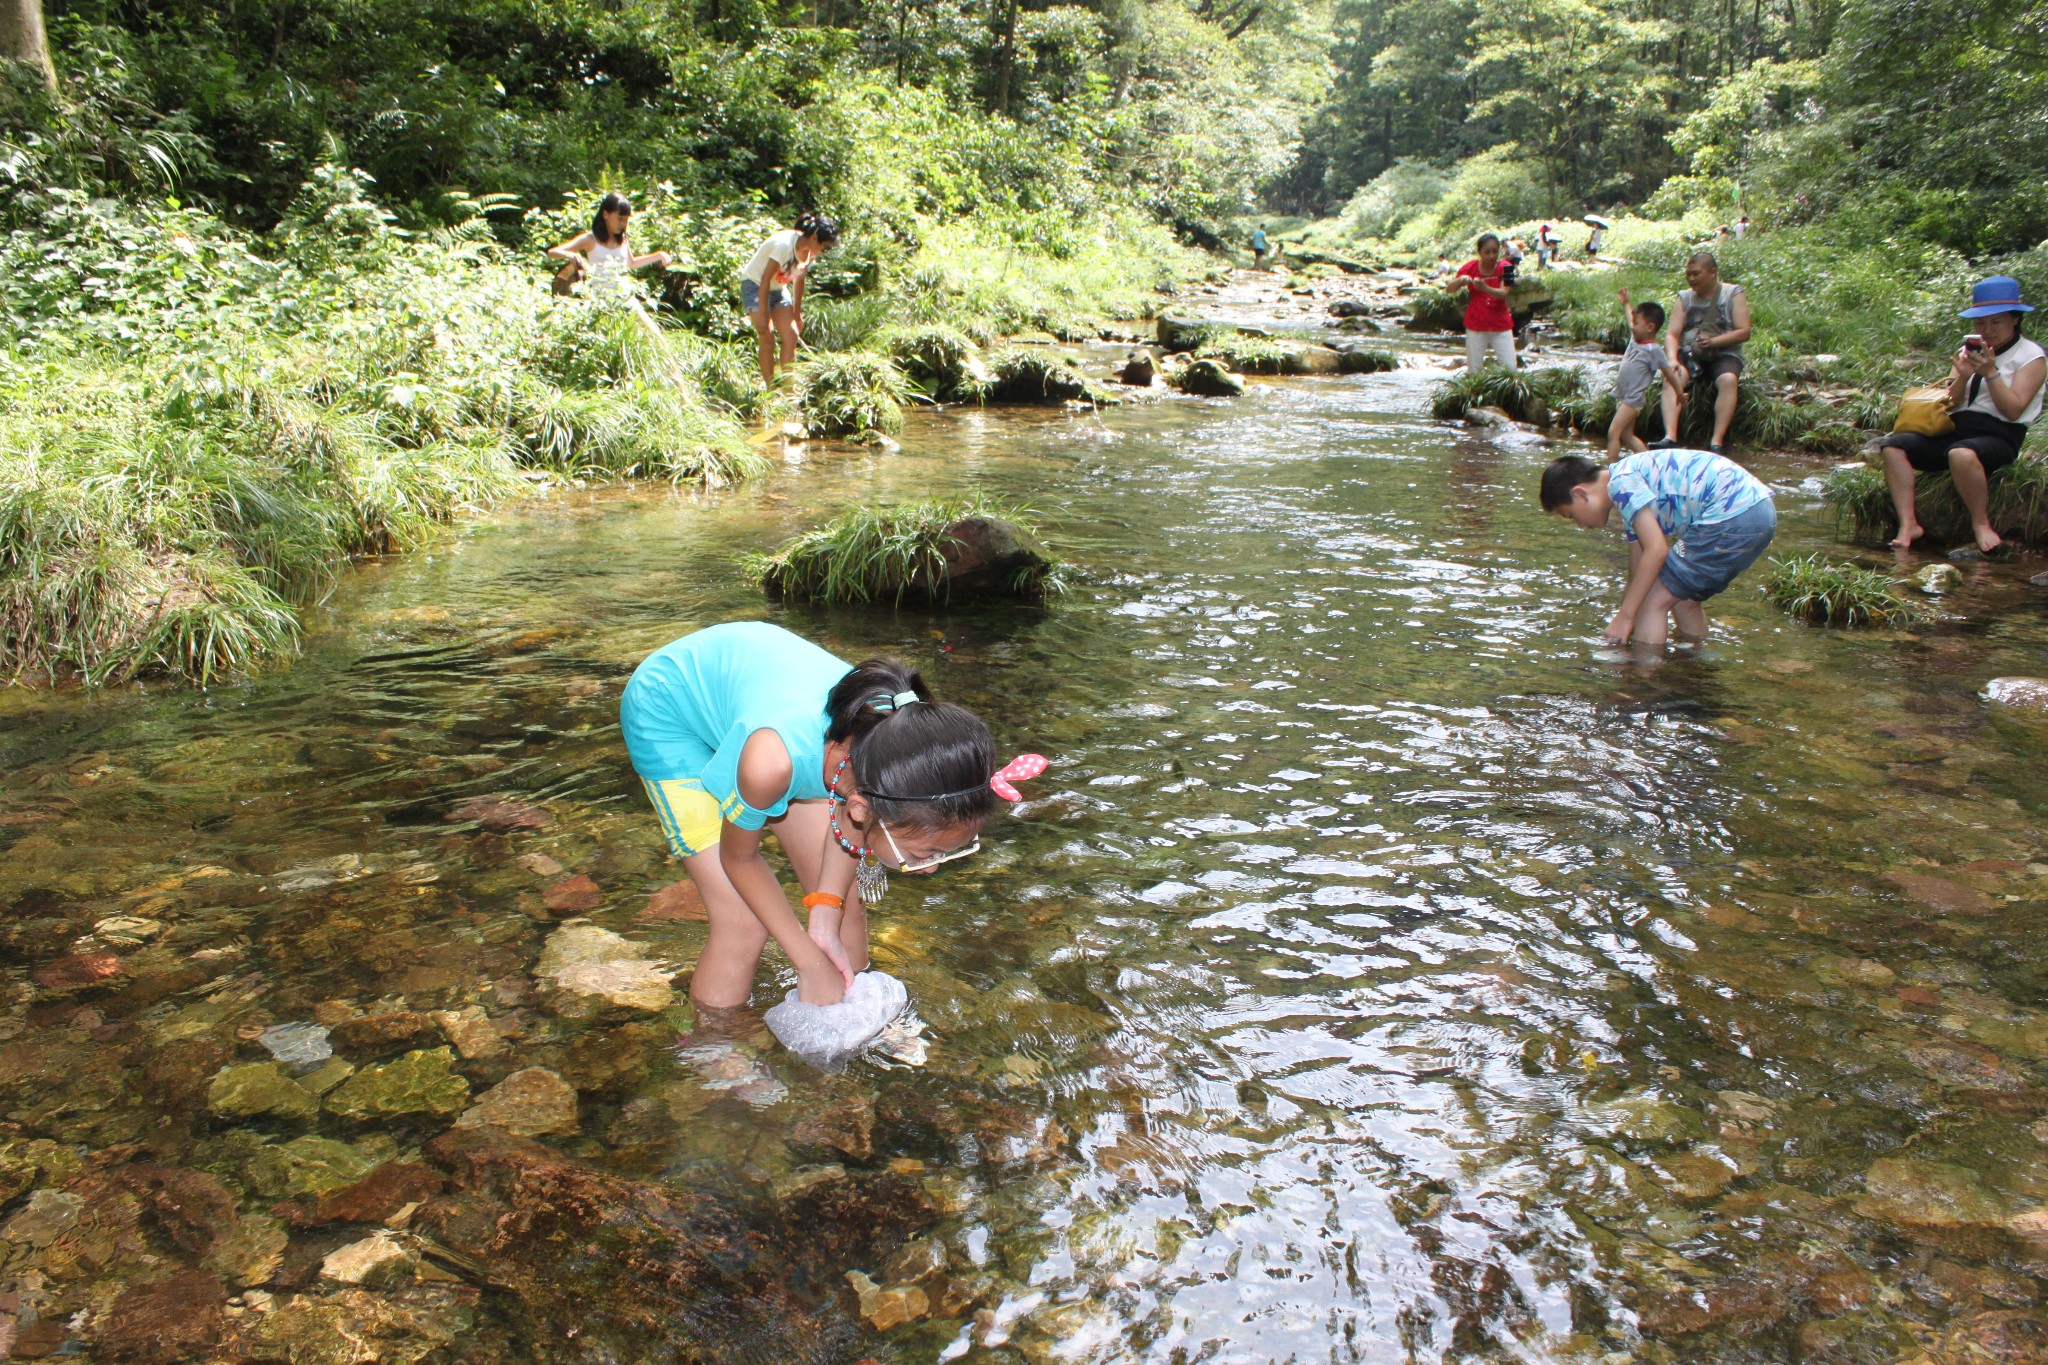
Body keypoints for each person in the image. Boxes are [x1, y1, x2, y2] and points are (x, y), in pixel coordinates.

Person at [620, 622, 1041, 1009]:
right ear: (861, 808)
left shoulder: (890, 748)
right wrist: (808, 963)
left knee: (843, 908)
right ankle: (717, 1052)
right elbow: (739, 859)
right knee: (742, 922)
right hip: (671, 713)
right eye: (925, 853)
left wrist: (824, 911)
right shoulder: (772, 765)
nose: (930, 869)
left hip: (776, 716)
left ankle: (850, 1019)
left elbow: (848, 832)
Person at [1542, 449, 1776, 647]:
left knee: (1651, 604)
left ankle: (1645, 685)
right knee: (1681, 598)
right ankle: (1696, 665)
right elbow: (1637, 573)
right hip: (1757, 511)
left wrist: (1626, 617)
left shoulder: (1621, 484)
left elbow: (1656, 550)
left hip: (1731, 515)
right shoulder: (1629, 491)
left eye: (1571, 515)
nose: (1580, 525)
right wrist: (1624, 615)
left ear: (1580, 493)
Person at [1879, 276, 2043, 553]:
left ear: (2015, 319)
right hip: (1957, 429)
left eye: (1996, 322)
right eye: (1981, 323)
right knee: (1893, 446)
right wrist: (1962, 378)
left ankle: (1980, 523)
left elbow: (2014, 410)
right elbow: (1950, 402)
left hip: (2001, 434)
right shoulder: (1967, 351)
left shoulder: (2032, 356)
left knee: (1961, 453)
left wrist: (1991, 374)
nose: (1987, 329)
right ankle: (1909, 523)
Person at [1656, 251, 1751, 455]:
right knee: (1673, 376)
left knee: (1727, 380)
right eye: (1688, 274)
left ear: (1713, 273)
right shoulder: (1685, 297)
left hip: (1725, 354)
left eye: (1696, 274)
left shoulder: (1733, 293)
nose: (1691, 279)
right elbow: (1673, 334)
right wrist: (1672, 359)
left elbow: (1744, 332)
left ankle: (1716, 441)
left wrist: (1714, 341)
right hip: (1691, 354)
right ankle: (1670, 436)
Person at [740, 212, 840, 385]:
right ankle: (770, 389)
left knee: (792, 334)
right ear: (815, 238)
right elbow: (765, 279)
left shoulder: (810, 253)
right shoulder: (784, 246)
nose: (826, 252)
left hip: (778, 289)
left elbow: (799, 280)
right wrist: (763, 314)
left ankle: (788, 390)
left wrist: (796, 313)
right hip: (755, 286)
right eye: (826, 247)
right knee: (767, 337)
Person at [1608, 288, 1687, 458]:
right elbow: (1631, 317)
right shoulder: (1635, 338)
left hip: (1632, 399)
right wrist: (1626, 303)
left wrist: (1679, 394)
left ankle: (1608, 471)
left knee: (1613, 432)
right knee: (1627, 436)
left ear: (1650, 327)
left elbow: (1668, 373)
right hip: (1623, 397)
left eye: (1637, 324)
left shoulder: (1654, 351)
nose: (1632, 326)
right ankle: (1650, 463)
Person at [545, 191, 672, 294]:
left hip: (625, 297)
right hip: (602, 302)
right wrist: (569, 255)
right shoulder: (590, 239)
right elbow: (552, 253)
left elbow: (631, 263)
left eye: (626, 220)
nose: (622, 224)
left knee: (650, 326)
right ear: (605, 214)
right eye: (619, 218)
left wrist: (658, 255)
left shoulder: (623, 238)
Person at [1448, 232, 1516, 371]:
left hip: (1501, 325)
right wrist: (1460, 280)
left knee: (1510, 370)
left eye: (1495, 251)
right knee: (1474, 370)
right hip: (1476, 324)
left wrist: (1485, 288)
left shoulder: (1505, 267)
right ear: (1479, 252)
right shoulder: (1471, 267)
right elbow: (1450, 289)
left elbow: (1503, 293)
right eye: (1487, 252)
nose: (1491, 256)